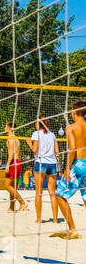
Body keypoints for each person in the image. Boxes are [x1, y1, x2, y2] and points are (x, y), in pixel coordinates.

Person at [51, 100, 86, 239]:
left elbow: (72, 148)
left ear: (74, 112)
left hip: (78, 165)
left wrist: (67, 168)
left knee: (59, 194)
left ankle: (72, 229)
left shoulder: (71, 127)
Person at [25, 116, 60, 223]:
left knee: (38, 193)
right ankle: (55, 219)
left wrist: (29, 143)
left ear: (38, 124)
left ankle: (39, 219)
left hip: (41, 163)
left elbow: (35, 150)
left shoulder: (36, 134)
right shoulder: (52, 135)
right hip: (52, 163)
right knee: (52, 193)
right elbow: (57, 151)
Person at [4, 122, 28, 212]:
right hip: (18, 162)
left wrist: (7, 165)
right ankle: (11, 207)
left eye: (6, 126)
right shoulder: (17, 139)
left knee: (7, 186)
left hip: (13, 162)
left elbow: (11, 153)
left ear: (10, 128)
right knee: (12, 186)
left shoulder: (10, 139)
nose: (4, 128)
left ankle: (22, 203)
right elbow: (19, 153)